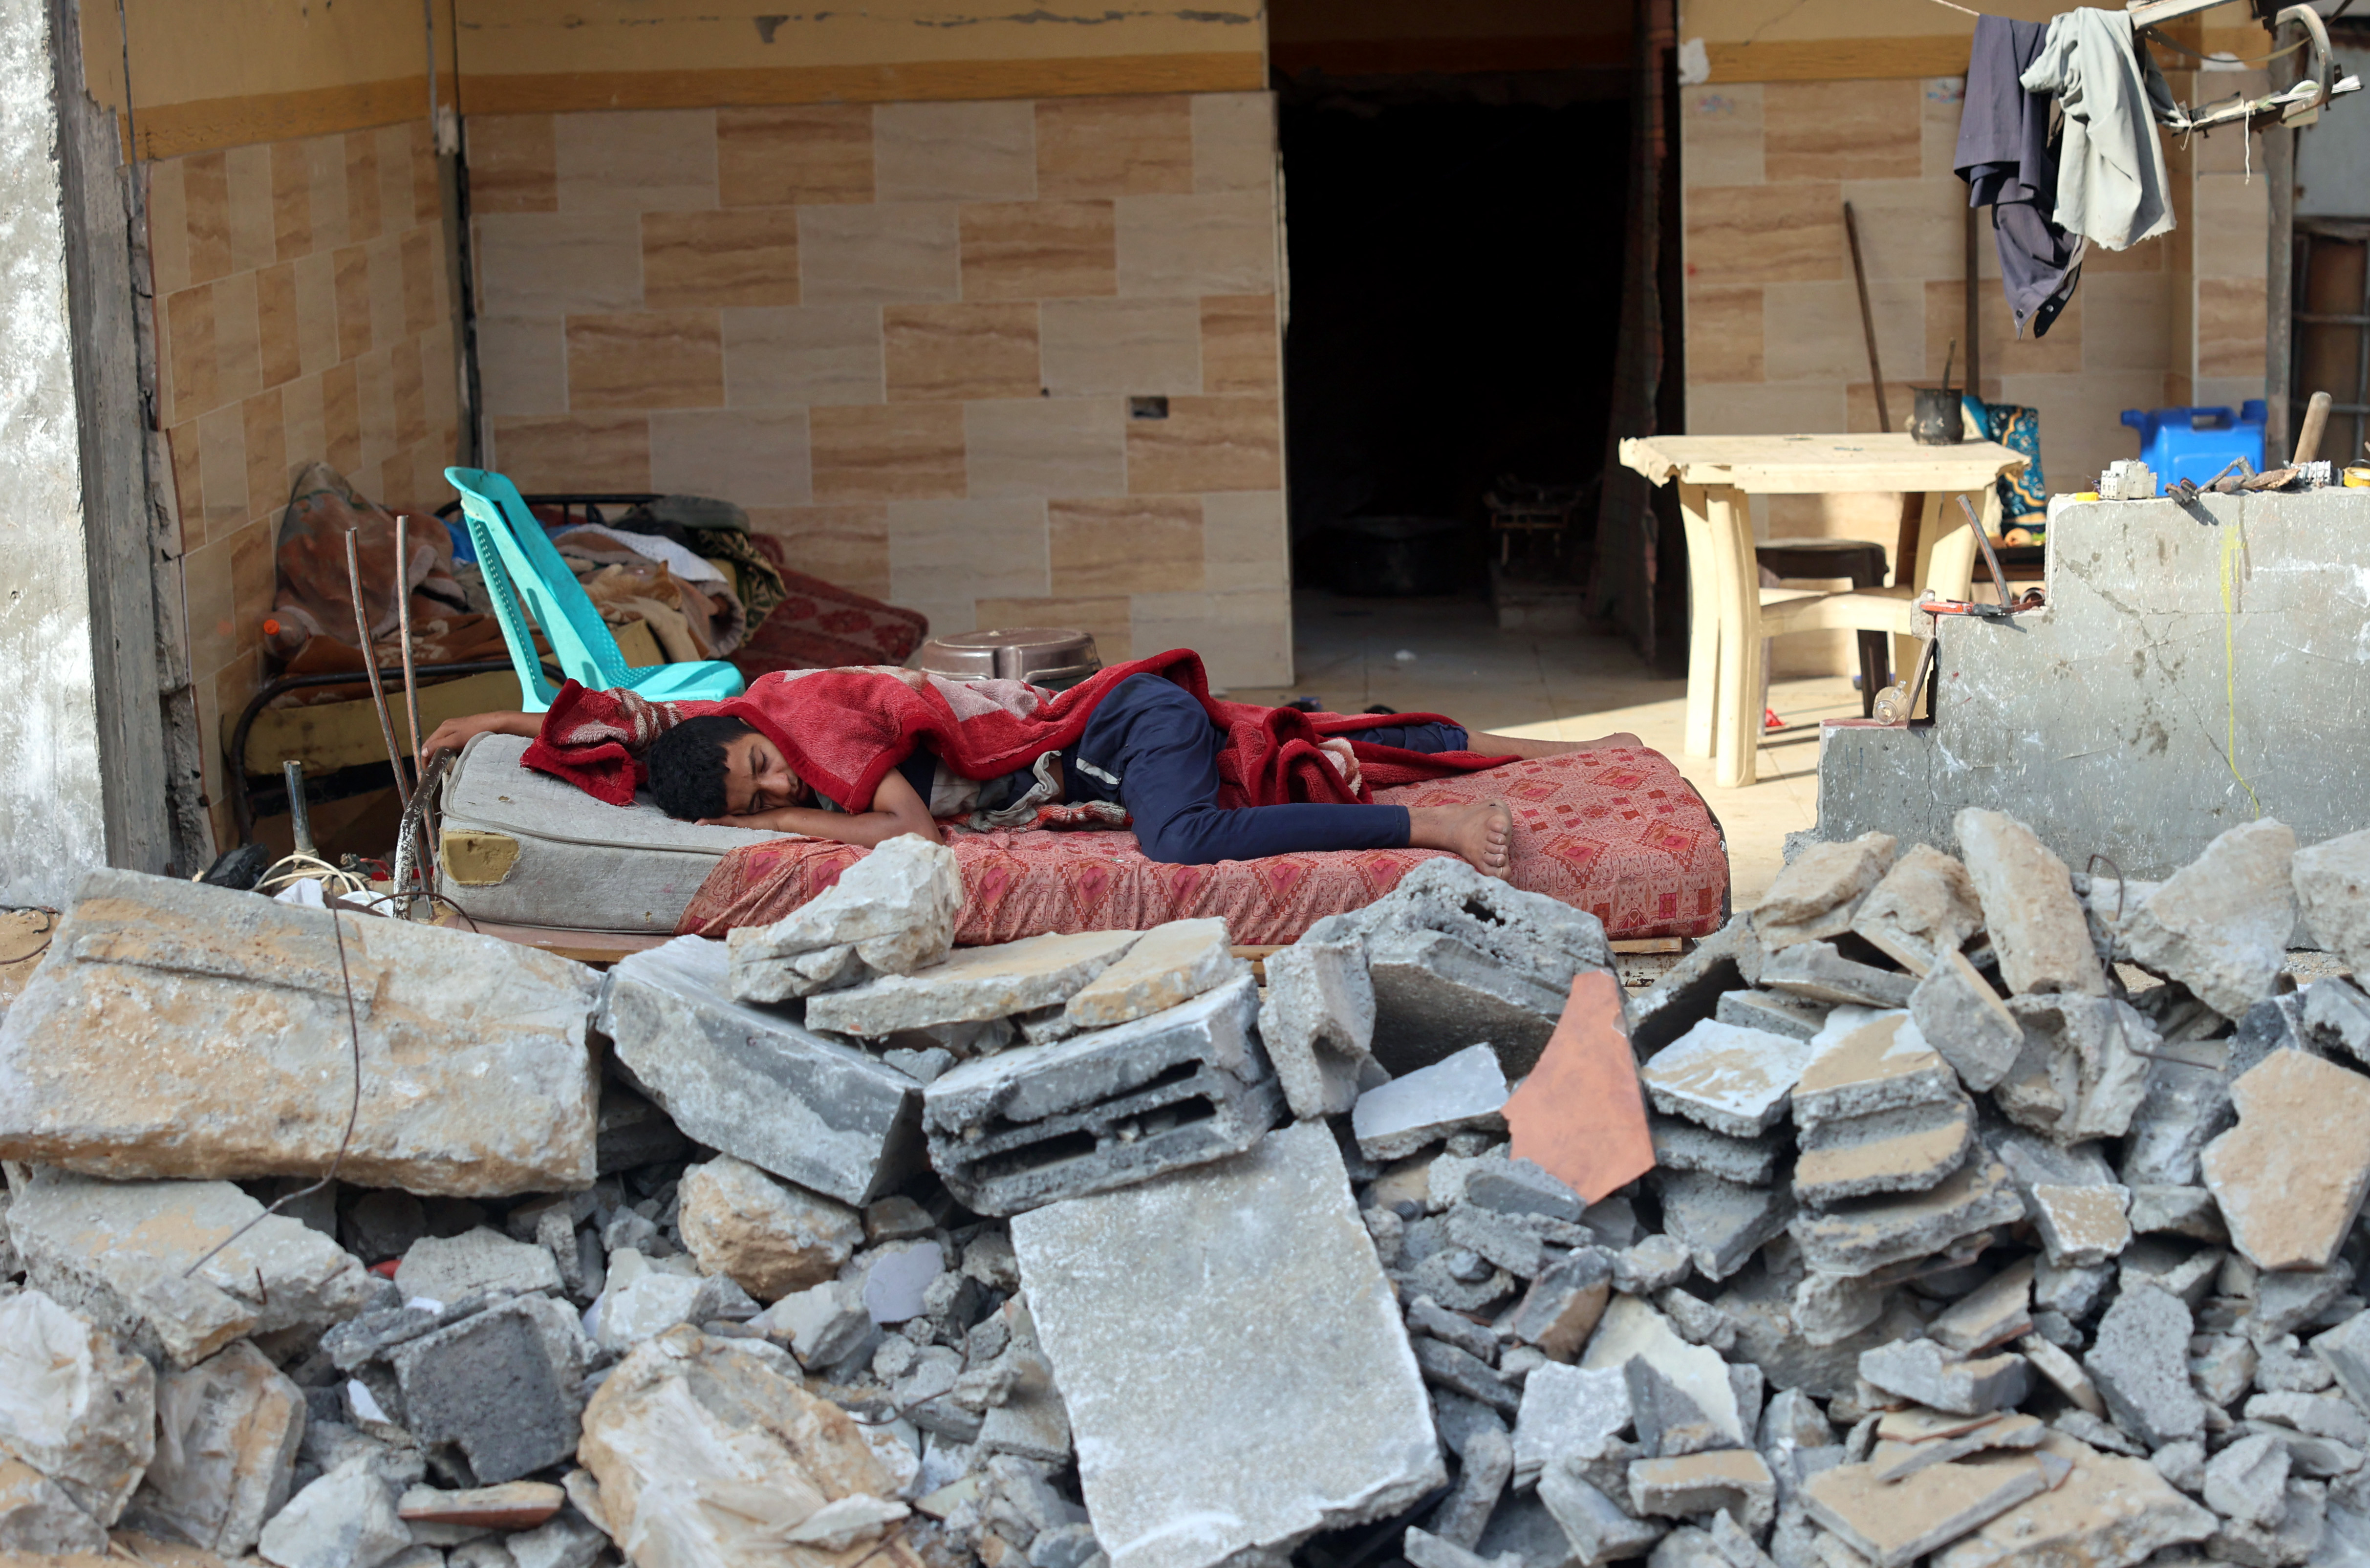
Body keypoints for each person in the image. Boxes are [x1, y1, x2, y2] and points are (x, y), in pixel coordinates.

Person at [424, 658, 1638, 879]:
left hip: (1124, 731)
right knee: (1361, 748)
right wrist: (480, 729)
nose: (776, 793)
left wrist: (791, 833)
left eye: (756, 773)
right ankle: (1578, 756)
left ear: (747, 730)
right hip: (1124, 734)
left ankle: (1419, 839)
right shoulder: (745, 724)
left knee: (1182, 846)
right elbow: (623, 727)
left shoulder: (811, 725)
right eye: (761, 799)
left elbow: (912, 842)